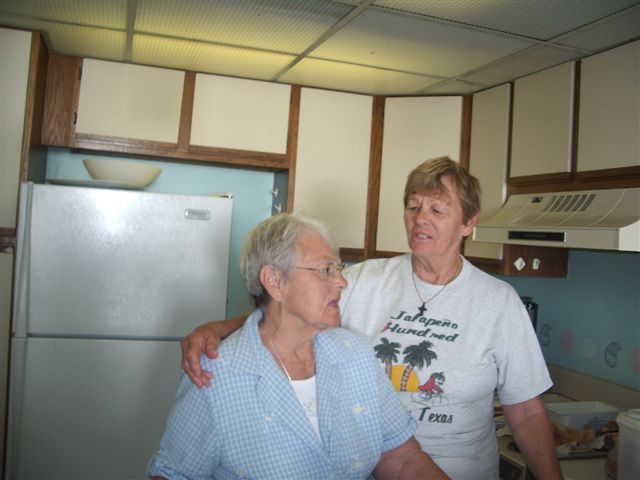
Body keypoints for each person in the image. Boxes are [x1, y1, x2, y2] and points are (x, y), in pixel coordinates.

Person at [180, 157, 563, 480]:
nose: (420, 219)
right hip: (369, 466)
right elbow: (290, 311)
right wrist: (219, 328)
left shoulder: (498, 302)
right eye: (412, 207)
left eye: (437, 209)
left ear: (468, 222)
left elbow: (527, 411)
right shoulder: (366, 279)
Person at [148, 213, 448, 480]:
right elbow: (174, 474)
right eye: (326, 269)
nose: (342, 281)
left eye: (339, 268)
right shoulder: (216, 375)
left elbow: (402, 457)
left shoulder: (356, 354)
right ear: (275, 281)